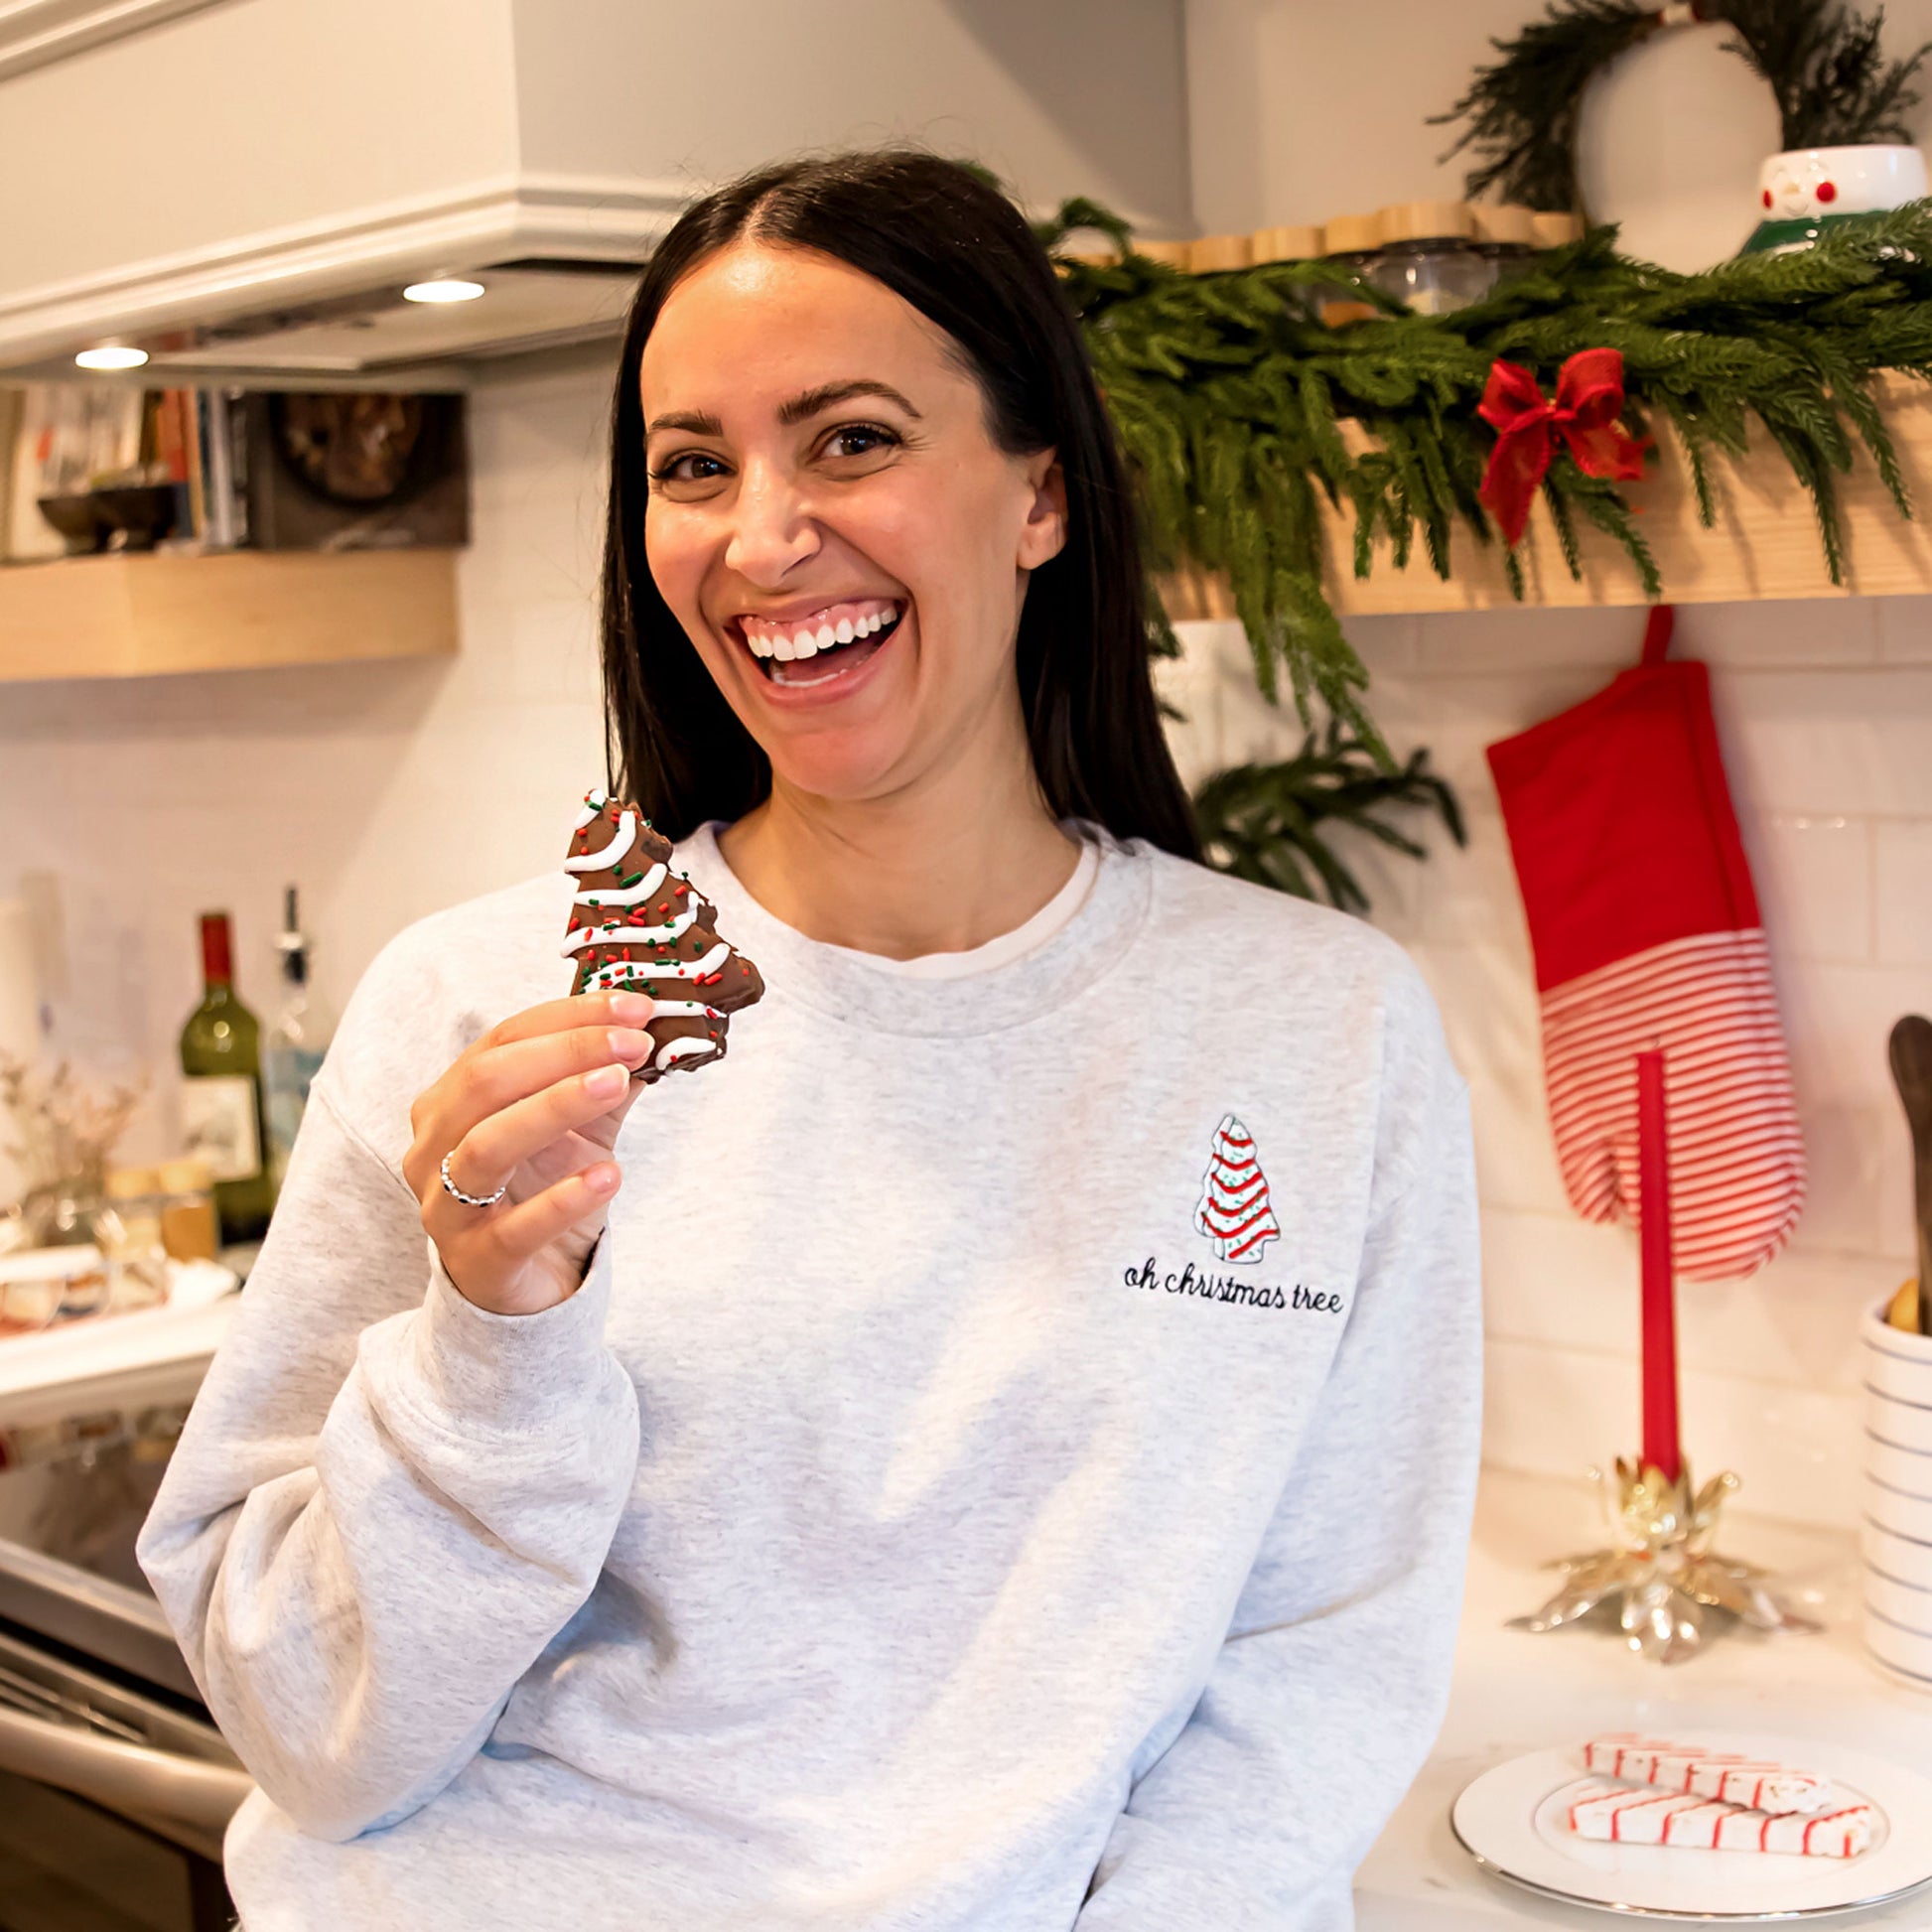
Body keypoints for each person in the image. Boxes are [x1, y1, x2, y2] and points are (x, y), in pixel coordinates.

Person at [138, 148, 1482, 1932]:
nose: (761, 539)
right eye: (693, 465)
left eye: (850, 440)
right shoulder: (482, 1020)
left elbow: (1318, 1658)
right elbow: (313, 1737)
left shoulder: (1315, 1032)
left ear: (1039, 494)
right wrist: (492, 1349)